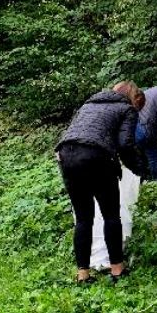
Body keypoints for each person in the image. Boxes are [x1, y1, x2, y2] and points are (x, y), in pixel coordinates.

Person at [56, 81, 146, 284]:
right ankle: (116, 270)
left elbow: (75, 133)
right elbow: (125, 144)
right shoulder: (127, 109)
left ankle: (83, 274)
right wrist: (139, 169)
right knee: (111, 215)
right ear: (132, 97)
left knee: (83, 218)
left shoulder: (88, 105)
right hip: (96, 156)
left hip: (66, 155)